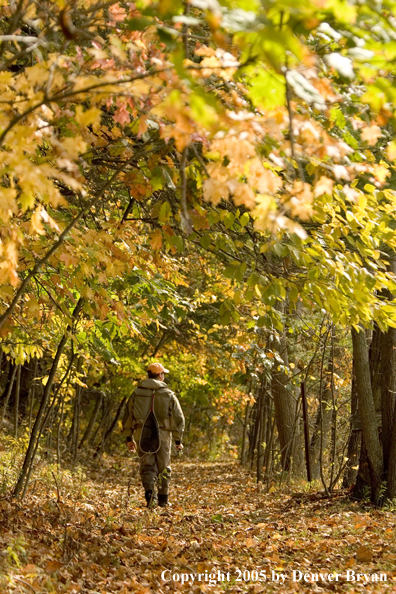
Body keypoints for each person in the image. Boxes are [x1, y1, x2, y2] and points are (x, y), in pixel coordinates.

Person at [122, 362, 185, 507]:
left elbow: (127, 416)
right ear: (160, 375)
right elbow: (178, 418)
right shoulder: (168, 394)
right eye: (163, 374)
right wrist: (177, 440)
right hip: (163, 434)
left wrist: (129, 438)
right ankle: (163, 499)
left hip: (140, 432)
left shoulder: (136, 393)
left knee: (147, 465)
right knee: (164, 466)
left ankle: (150, 495)